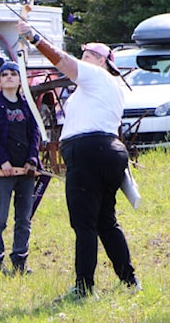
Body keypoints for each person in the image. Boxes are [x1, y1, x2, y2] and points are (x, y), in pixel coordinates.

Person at [17, 21, 140, 301]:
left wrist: (35, 38)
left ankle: (84, 288)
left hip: (88, 151)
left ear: (104, 62)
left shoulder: (97, 77)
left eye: (89, 55)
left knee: (84, 224)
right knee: (105, 221)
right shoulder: (106, 86)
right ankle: (129, 280)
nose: (83, 58)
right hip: (106, 151)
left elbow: (63, 62)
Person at [0, 60, 41, 275]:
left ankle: (20, 261)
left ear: (20, 79)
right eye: (4, 74)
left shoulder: (28, 104)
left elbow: (36, 133)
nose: (8, 77)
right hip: (2, 170)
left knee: (24, 218)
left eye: (13, 74)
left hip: (26, 171)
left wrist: (32, 159)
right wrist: (3, 161)